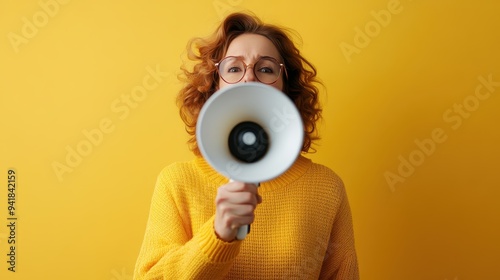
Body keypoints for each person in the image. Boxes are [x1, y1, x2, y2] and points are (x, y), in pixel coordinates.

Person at [133, 12, 359, 279]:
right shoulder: (177, 183)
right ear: (214, 86)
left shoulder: (326, 188)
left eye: (265, 69)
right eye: (234, 68)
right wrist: (218, 235)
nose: (249, 79)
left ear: (286, 87)